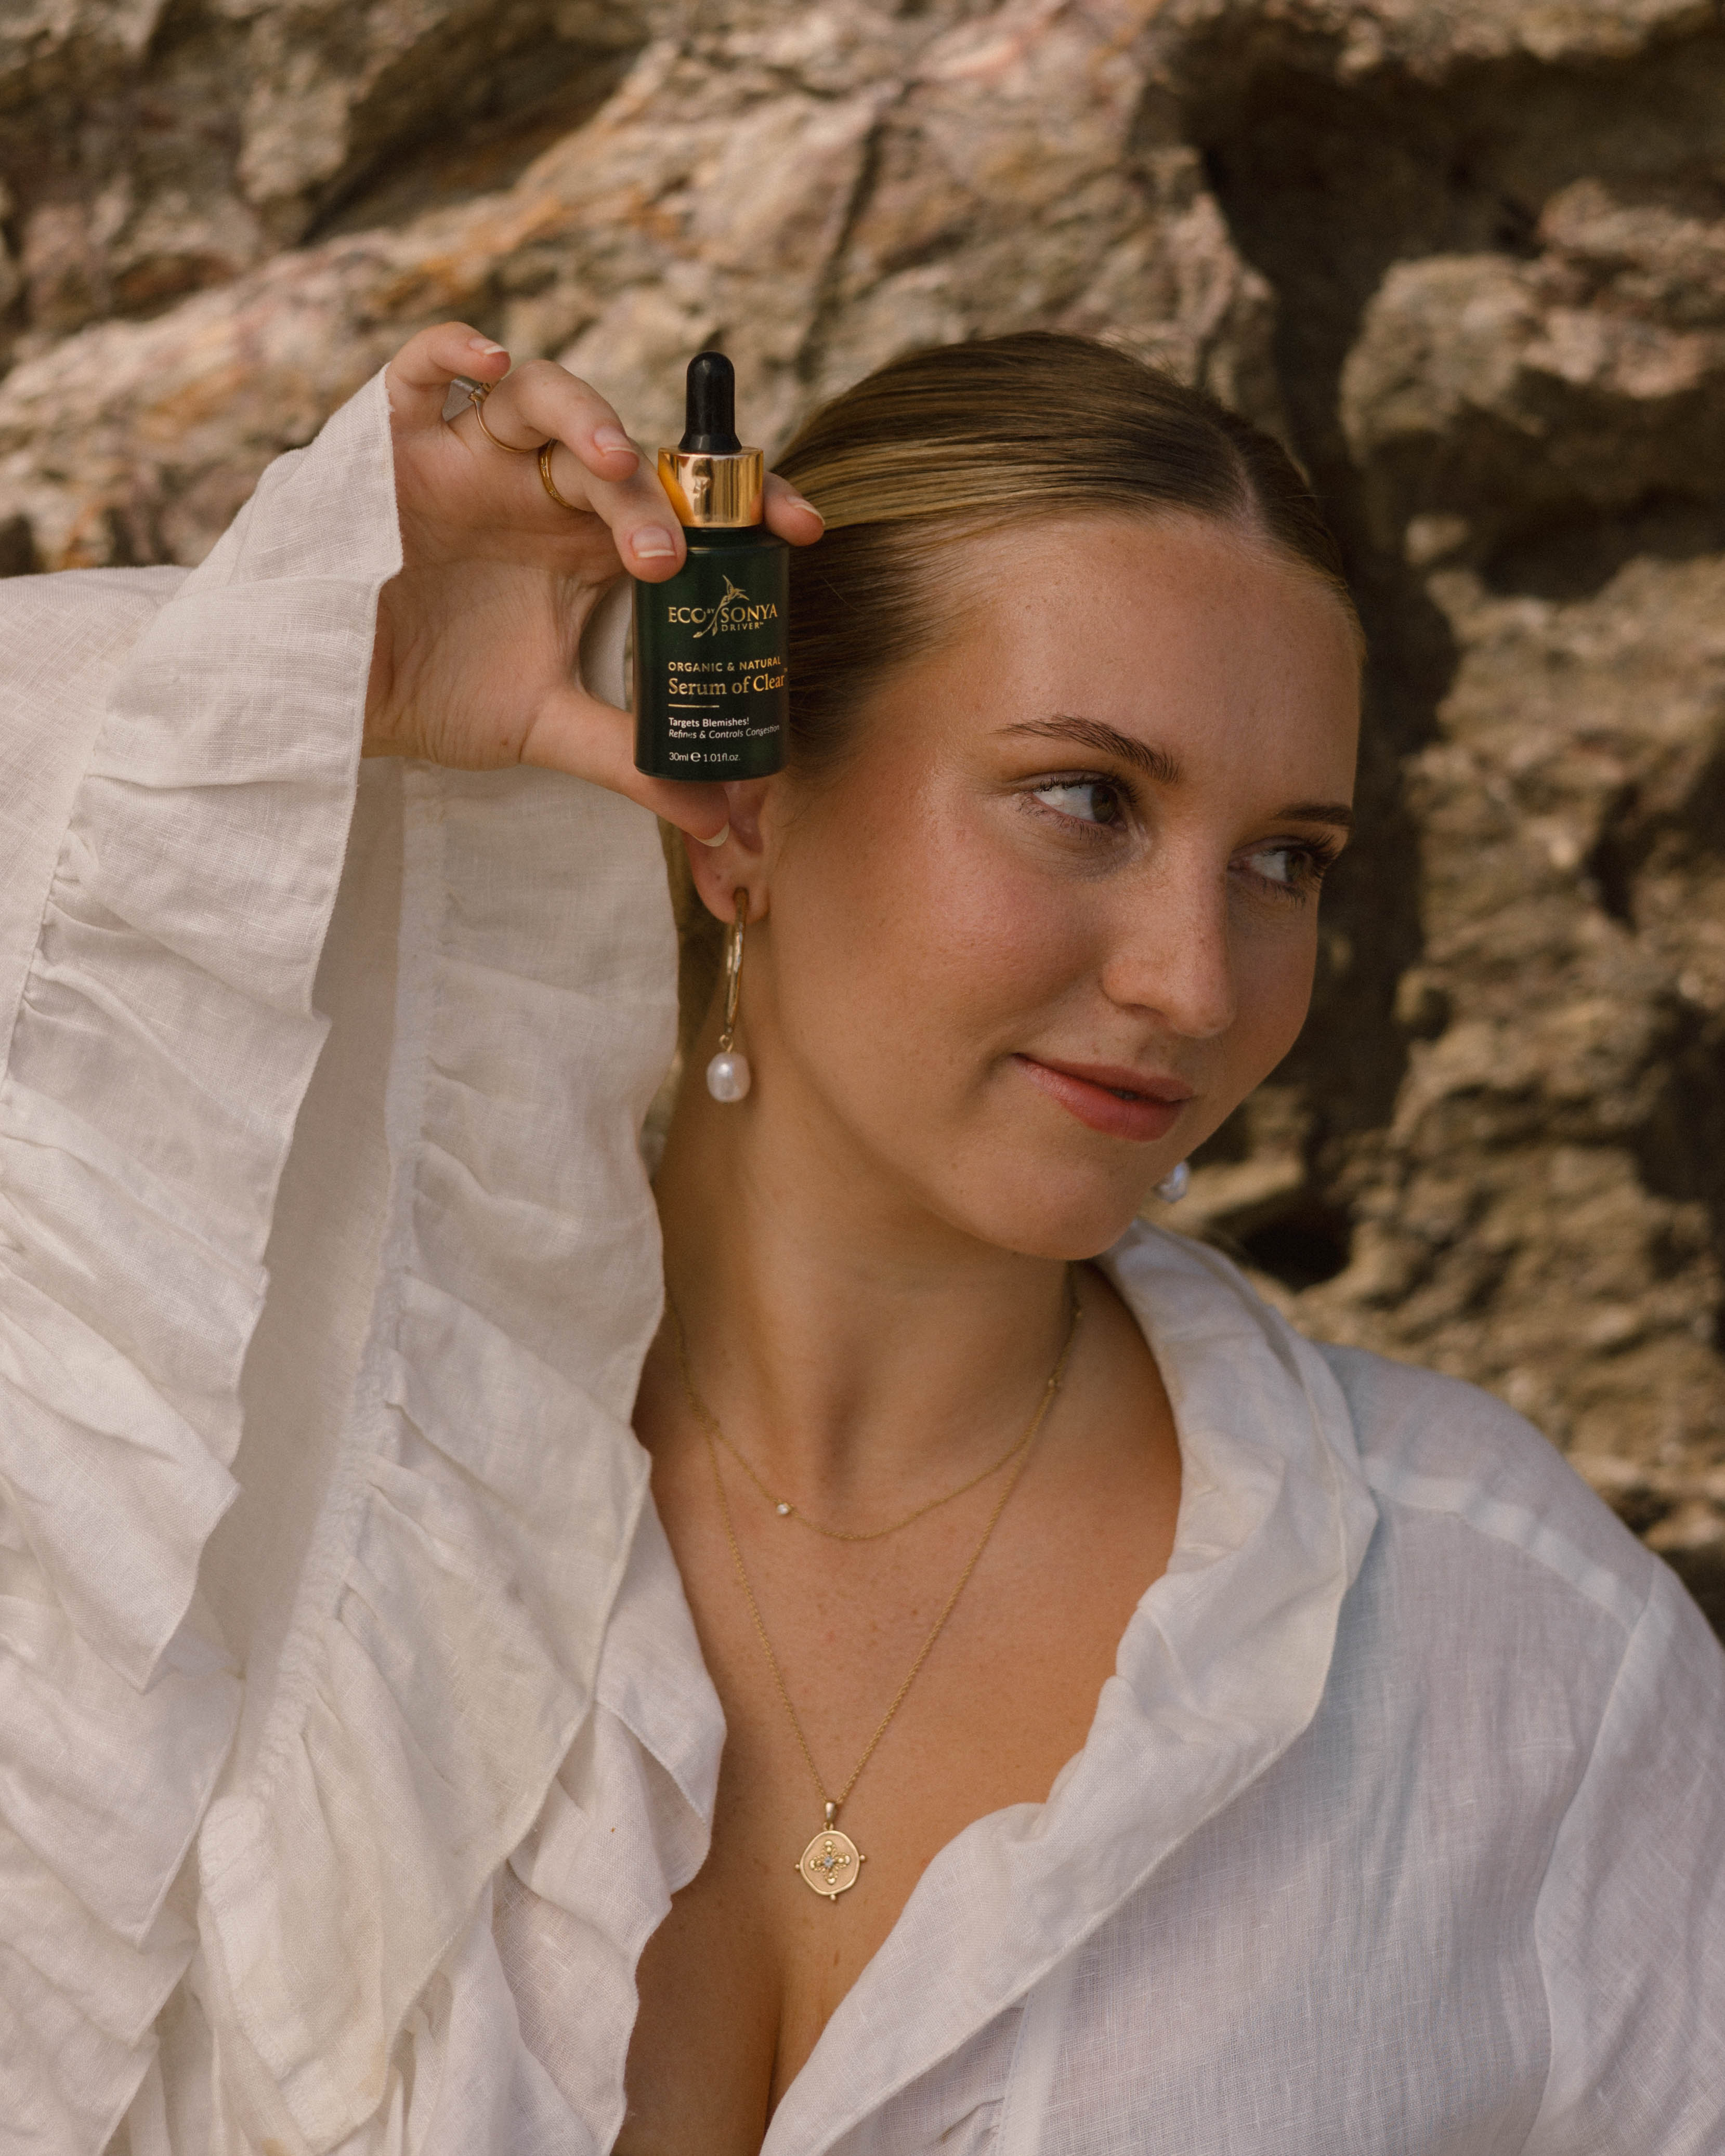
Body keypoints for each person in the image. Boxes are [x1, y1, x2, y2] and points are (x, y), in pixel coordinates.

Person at [1, 317, 1720, 2156]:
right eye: (1088, 799)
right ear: (745, 806)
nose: (1199, 981)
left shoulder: (1511, 1645)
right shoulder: (276, 1489)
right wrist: (301, 651)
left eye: (1285, 860)